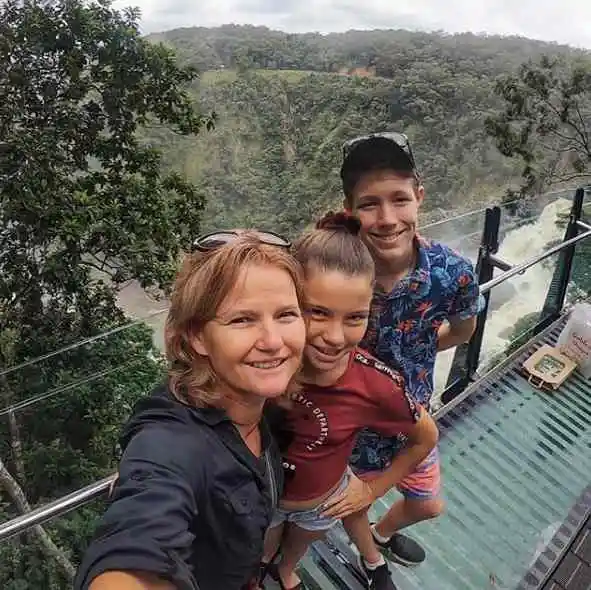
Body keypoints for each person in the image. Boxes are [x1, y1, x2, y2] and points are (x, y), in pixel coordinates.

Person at [73, 230, 307, 590]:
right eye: (242, 319)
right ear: (197, 336)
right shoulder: (173, 439)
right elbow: (141, 531)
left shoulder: (260, 401)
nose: (273, 341)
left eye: (286, 315)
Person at [262, 213, 439, 590]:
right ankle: (264, 566)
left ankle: (285, 571)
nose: (334, 337)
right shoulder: (262, 364)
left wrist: (372, 491)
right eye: (318, 313)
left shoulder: (373, 382)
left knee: (295, 550)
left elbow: (425, 437)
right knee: (264, 543)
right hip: (262, 493)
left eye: (354, 317)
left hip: (322, 503)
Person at [339, 131, 484, 566]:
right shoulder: (334, 273)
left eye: (399, 199)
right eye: (369, 204)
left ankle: (381, 537)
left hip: (411, 417)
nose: (387, 218)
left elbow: (462, 332)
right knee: (353, 504)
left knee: (427, 504)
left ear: (419, 197)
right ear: (350, 210)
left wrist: (414, 358)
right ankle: (370, 558)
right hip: (350, 426)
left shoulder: (451, 273)